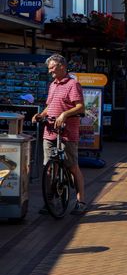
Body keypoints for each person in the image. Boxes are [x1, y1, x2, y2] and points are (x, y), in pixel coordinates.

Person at [32, 54, 87, 215]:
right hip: (49, 132)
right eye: (49, 68)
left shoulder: (73, 84)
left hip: (67, 133)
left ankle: (80, 201)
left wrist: (64, 115)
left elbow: (80, 107)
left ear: (62, 66)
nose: (50, 71)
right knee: (49, 168)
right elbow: (50, 106)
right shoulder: (53, 85)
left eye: (52, 68)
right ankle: (49, 202)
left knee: (72, 167)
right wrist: (41, 115)